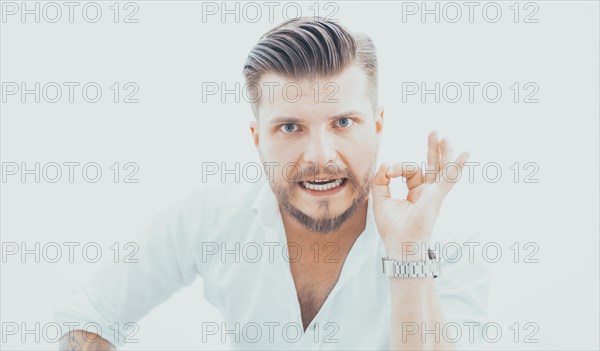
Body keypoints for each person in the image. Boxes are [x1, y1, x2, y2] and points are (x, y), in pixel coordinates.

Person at [55, 17, 488, 350]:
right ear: (257, 138)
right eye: (290, 128)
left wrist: (407, 254)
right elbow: (88, 315)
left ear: (376, 126)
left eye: (343, 122)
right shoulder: (210, 218)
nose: (320, 156)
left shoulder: (447, 242)